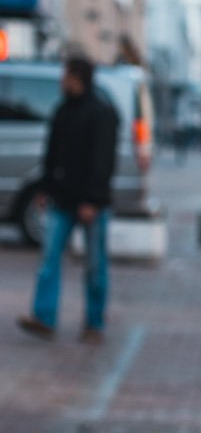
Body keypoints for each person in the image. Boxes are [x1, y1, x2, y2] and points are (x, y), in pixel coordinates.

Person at [18, 55, 119, 344]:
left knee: (95, 265)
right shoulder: (63, 110)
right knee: (49, 260)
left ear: (78, 77)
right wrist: (44, 189)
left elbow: (102, 162)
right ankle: (44, 317)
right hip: (61, 200)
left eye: (66, 74)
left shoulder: (100, 112)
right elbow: (52, 154)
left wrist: (92, 200)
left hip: (91, 204)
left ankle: (94, 323)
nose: (62, 79)